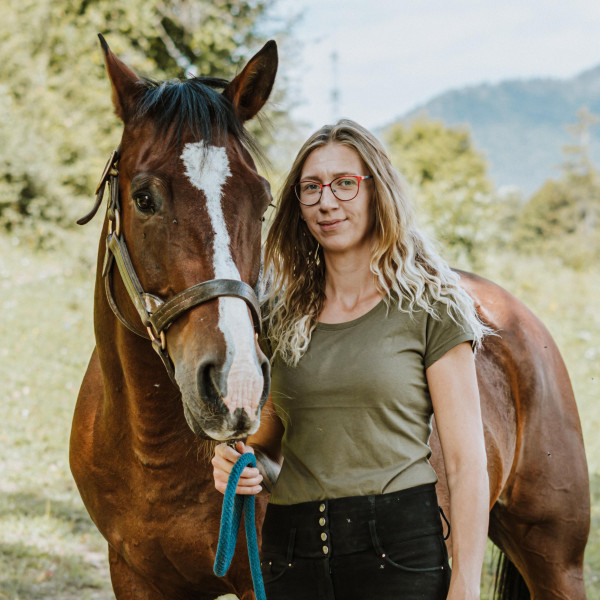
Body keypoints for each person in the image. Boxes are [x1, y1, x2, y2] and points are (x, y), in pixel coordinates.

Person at [212, 119, 490, 600]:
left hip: (399, 550)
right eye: (311, 188)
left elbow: (466, 465)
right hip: (290, 552)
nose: (326, 201)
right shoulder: (277, 318)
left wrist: (465, 585)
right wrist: (240, 463)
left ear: (375, 191)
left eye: (345, 184)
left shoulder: (431, 307)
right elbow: (273, 450)